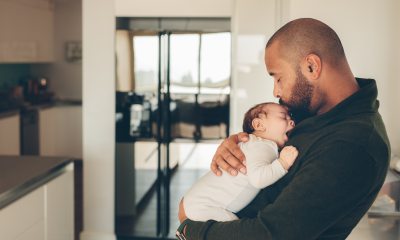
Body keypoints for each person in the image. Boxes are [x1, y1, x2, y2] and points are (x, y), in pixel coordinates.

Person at [176, 18, 390, 240]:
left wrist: (191, 230)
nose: (276, 91)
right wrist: (237, 144)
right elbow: (263, 139)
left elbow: (271, 234)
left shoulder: (352, 145)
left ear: (312, 66)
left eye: (278, 77)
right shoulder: (309, 111)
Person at [179, 102, 298, 222]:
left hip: (195, 202)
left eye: (290, 117)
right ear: (258, 124)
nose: (291, 121)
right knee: (232, 226)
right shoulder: (262, 146)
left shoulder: (253, 145)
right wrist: (283, 163)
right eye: (283, 117)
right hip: (204, 206)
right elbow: (258, 179)